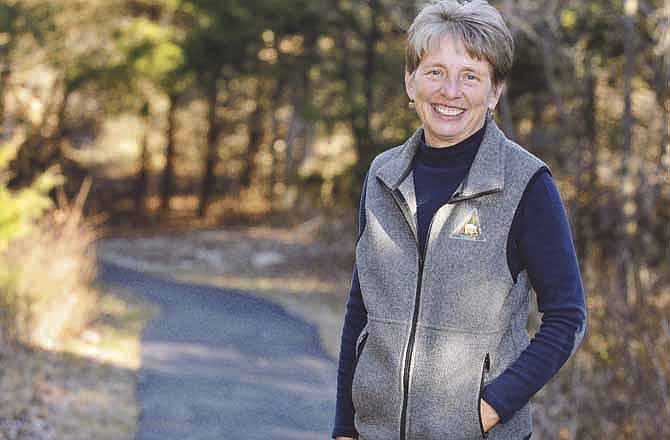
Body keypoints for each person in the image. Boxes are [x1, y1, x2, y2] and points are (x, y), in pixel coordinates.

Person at [331, 1, 587, 439]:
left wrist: (487, 409)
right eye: (435, 72)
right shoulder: (382, 176)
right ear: (410, 82)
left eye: (470, 76)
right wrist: (344, 427)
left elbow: (567, 318)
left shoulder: (526, 184)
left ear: (494, 92)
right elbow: (360, 312)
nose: (450, 91)